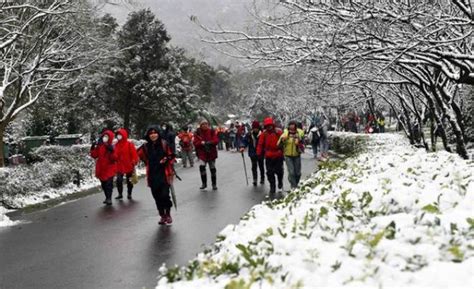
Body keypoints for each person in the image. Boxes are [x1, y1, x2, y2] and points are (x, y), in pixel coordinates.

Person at [137, 126, 176, 225]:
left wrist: (166, 159)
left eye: (155, 133)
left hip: (164, 174)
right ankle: (162, 215)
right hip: (152, 175)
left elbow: (171, 155)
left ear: (158, 134)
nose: (153, 135)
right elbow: (136, 155)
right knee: (157, 197)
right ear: (148, 135)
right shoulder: (145, 147)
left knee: (165, 195)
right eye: (151, 133)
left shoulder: (164, 144)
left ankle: (168, 214)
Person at [256, 117, 284, 194]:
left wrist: (283, 152)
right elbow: (260, 144)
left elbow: (283, 142)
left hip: (278, 155)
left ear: (273, 125)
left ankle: (280, 182)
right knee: (269, 172)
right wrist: (258, 153)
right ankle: (272, 186)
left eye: (270, 125)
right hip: (268, 156)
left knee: (279, 171)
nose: (269, 127)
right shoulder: (263, 134)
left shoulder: (278, 132)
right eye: (268, 126)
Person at [90, 129, 117, 205]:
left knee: (109, 183)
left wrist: (111, 151)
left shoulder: (112, 146)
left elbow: (114, 158)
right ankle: (107, 197)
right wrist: (92, 148)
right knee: (103, 183)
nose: (105, 138)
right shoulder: (100, 145)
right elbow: (94, 155)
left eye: (107, 137)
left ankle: (109, 198)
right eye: (104, 136)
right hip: (101, 168)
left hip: (110, 168)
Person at [193, 119, 219, 190]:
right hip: (202, 153)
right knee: (202, 167)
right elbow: (195, 143)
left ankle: (214, 184)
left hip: (211, 153)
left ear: (208, 125)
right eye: (203, 124)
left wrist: (209, 142)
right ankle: (204, 183)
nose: (204, 125)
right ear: (201, 125)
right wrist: (201, 143)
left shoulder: (212, 131)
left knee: (212, 168)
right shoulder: (197, 133)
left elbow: (216, 140)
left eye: (206, 124)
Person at [278, 121, 304, 189]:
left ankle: (295, 182)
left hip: (297, 155)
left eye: (293, 125)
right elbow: (278, 144)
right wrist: (283, 140)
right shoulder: (285, 134)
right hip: (288, 155)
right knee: (291, 172)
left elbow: (305, 143)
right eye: (290, 125)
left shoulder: (299, 134)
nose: (292, 126)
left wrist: (299, 142)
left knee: (298, 173)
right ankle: (294, 186)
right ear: (288, 126)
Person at [114, 128, 139, 199]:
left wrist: (134, 161)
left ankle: (129, 193)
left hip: (129, 165)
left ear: (124, 135)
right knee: (119, 180)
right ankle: (120, 194)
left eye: (120, 135)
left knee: (129, 181)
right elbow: (115, 155)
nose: (118, 136)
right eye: (118, 135)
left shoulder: (129, 144)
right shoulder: (116, 145)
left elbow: (134, 155)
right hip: (119, 166)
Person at [240, 120, 265, 186]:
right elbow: (244, 141)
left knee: (261, 166)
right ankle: (255, 179)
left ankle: (262, 178)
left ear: (258, 128)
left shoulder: (262, 134)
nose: (255, 129)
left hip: (261, 153)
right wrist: (242, 146)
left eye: (256, 128)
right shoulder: (249, 134)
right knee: (254, 166)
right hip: (252, 153)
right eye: (254, 128)